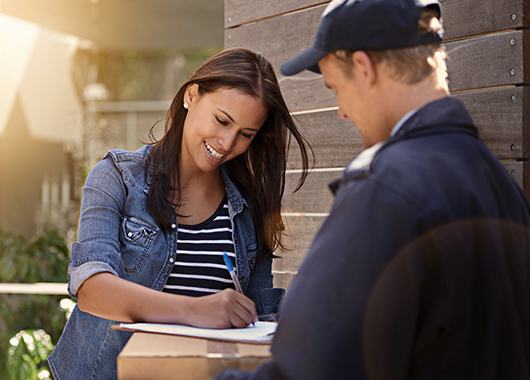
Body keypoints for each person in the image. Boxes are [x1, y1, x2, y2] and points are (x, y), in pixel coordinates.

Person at [218, 0, 530, 379]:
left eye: (337, 88)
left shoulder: (385, 188)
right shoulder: (499, 184)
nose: (342, 112)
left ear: (364, 68)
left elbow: (312, 367)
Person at [47, 47, 311, 379]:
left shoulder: (248, 208)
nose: (227, 142)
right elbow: (92, 289)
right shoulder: (116, 176)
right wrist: (194, 310)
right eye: (221, 120)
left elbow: (262, 319)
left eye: (246, 134)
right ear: (191, 95)